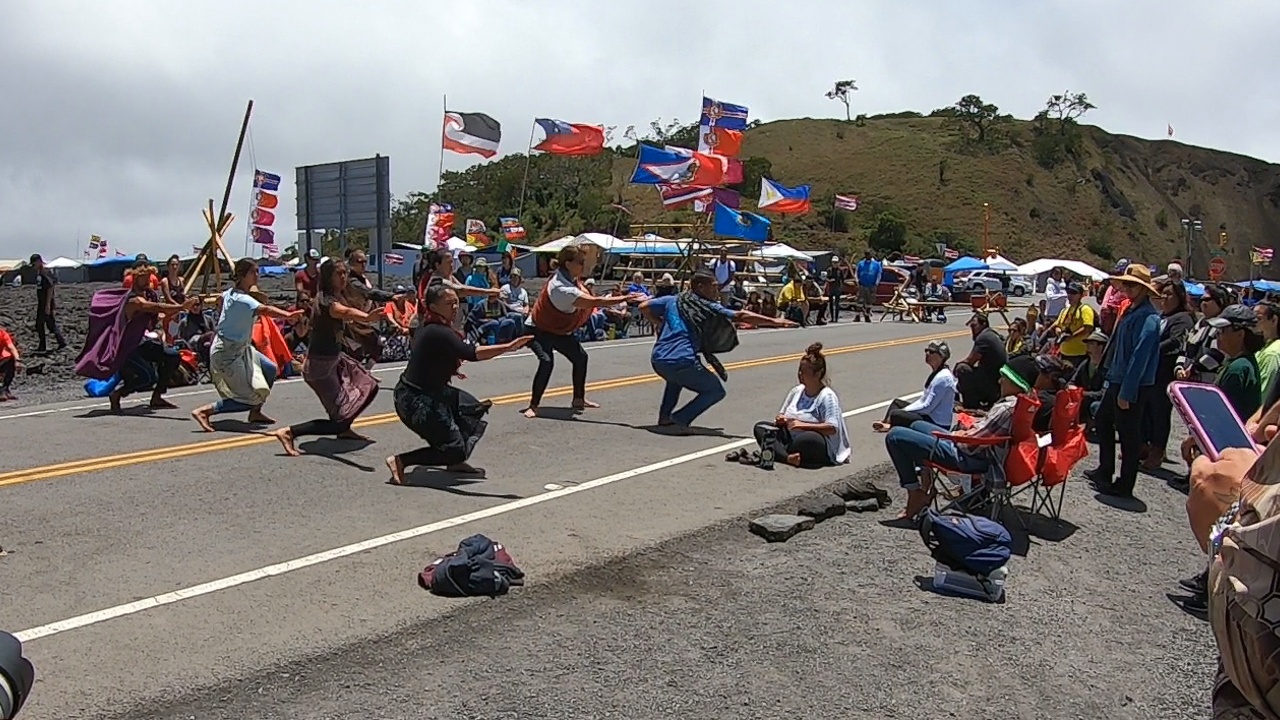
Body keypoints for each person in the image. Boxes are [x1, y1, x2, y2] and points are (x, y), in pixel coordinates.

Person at [386, 285, 532, 483]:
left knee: (471, 409)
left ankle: (454, 461)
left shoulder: (432, 324)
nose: (455, 307)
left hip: (431, 392)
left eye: (456, 302)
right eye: (449, 303)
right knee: (453, 449)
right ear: (433, 307)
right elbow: (471, 353)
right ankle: (401, 461)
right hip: (415, 400)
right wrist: (508, 347)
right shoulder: (436, 331)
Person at [884, 354, 1040, 519]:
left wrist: (956, 434)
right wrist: (965, 430)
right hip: (977, 451)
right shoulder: (1018, 405)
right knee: (915, 425)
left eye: (1004, 378)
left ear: (1016, 383)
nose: (1000, 381)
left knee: (895, 436)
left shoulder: (1006, 408)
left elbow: (970, 444)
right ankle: (926, 487)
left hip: (966, 457)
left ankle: (915, 493)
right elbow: (983, 433)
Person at [641, 269, 795, 430]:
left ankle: (665, 417)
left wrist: (660, 324)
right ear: (700, 287)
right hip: (683, 360)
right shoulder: (707, 306)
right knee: (715, 391)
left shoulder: (672, 300)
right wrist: (775, 322)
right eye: (713, 286)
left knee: (675, 379)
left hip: (658, 359)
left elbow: (644, 306)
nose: (717, 290)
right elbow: (740, 316)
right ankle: (679, 419)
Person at [272, 258, 386, 457]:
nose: (343, 277)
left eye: (344, 273)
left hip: (335, 361)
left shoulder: (335, 296)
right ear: (327, 277)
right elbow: (344, 312)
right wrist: (367, 318)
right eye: (338, 273)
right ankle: (290, 432)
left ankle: (344, 429)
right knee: (338, 419)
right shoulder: (326, 300)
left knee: (368, 387)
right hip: (320, 369)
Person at [521, 245, 641, 419]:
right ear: (568, 264)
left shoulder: (569, 277)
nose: (583, 265)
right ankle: (533, 406)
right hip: (537, 328)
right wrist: (625, 298)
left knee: (580, 358)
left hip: (558, 329)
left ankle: (578, 399)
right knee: (546, 361)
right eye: (580, 262)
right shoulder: (561, 288)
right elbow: (594, 302)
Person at [191, 259, 305, 432]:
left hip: (241, 349)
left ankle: (255, 411)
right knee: (247, 399)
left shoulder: (231, 294)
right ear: (243, 275)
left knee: (270, 369)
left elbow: (221, 300)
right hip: (227, 353)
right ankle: (205, 411)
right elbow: (265, 310)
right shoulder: (243, 299)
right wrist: (288, 316)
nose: (257, 275)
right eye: (253, 272)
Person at [1087, 264, 1163, 501]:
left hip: (1132, 384)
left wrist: (1127, 392)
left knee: (1129, 435)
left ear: (1143, 289)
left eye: (1132, 285)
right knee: (1103, 420)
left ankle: (1125, 483)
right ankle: (1105, 469)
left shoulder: (1148, 318)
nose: (1127, 289)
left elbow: (1139, 357)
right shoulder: (1130, 310)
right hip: (1117, 378)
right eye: (1126, 284)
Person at [742, 343, 850, 468]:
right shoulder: (796, 391)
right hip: (790, 436)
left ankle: (778, 452)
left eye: (804, 372)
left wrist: (802, 425)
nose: (800, 374)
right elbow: (781, 415)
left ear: (817, 374)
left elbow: (832, 428)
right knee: (761, 427)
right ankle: (788, 457)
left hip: (815, 442)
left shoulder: (827, 396)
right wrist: (781, 420)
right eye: (799, 370)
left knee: (808, 439)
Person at [1140, 278, 1195, 470]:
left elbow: (1175, 342)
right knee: (1146, 409)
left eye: (1169, 294)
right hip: (1150, 371)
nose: (1164, 297)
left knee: (1159, 412)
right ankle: (1144, 445)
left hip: (1165, 372)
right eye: (1163, 293)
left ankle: (1158, 450)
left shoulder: (1183, 318)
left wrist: (1149, 348)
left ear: (1180, 297)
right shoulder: (1162, 316)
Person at [872, 340, 957, 432]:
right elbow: (922, 401)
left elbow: (927, 407)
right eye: (926, 351)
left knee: (896, 414)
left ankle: (889, 425)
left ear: (941, 356)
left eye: (932, 352)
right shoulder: (937, 373)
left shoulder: (943, 378)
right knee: (896, 403)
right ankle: (886, 422)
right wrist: (905, 410)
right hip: (928, 414)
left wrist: (905, 411)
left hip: (937, 422)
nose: (927, 354)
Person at [954, 311, 1008, 410]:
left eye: (974, 326)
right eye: (971, 326)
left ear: (983, 324)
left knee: (961, 368)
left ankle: (971, 403)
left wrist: (955, 369)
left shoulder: (983, 338)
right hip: (997, 382)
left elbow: (970, 361)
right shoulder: (992, 334)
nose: (972, 329)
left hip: (992, 384)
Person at [1176, 283, 1228, 383]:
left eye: (1208, 300)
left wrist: (1192, 369)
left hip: (1209, 383)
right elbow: (1184, 351)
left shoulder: (1223, 327)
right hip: (1188, 381)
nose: (1203, 303)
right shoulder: (1197, 326)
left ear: (1220, 301)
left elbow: (1217, 355)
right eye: (1202, 300)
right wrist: (1179, 368)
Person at [1043, 282, 1097, 367]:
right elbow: (1057, 325)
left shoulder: (1085, 309)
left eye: (1073, 293)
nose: (1070, 295)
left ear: (1081, 295)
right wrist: (1058, 330)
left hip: (1079, 353)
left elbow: (1088, 327)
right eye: (1068, 292)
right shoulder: (1065, 310)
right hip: (1063, 351)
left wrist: (1072, 336)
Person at [29, 254, 67, 353]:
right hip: (41, 302)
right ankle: (57, 343)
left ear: (39, 262)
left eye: (34, 264)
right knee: (45, 324)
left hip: (46, 303)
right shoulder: (39, 273)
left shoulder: (45, 272)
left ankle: (51, 344)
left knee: (46, 324)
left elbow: (50, 288)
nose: (33, 266)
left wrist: (48, 305)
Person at [854, 250, 882, 323]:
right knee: (859, 301)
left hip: (871, 285)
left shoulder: (876, 264)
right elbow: (856, 273)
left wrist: (876, 283)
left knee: (869, 302)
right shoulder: (861, 263)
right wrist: (857, 281)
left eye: (869, 254)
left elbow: (879, 274)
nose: (867, 256)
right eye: (866, 254)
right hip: (862, 285)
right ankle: (857, 316)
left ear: (871, 255)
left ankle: (867, 316)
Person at [0, 325, 20, 401]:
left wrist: (17, 360)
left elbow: (11, 348)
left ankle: (5, 389)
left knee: (11, 360)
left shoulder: (2, 334)